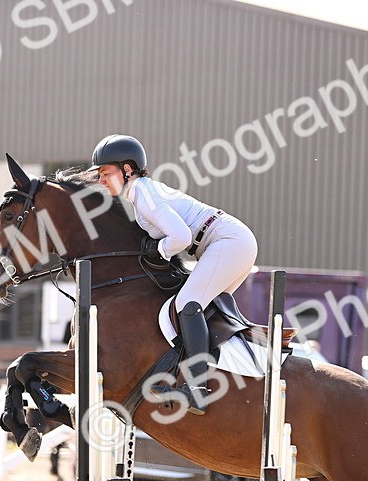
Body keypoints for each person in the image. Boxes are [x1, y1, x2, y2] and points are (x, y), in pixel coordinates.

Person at [92, 134, 258, 415]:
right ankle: (215, 377)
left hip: (226, 241)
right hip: (228, 242)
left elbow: (179, 237)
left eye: (105, 172)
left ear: (127, 169)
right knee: (204, 313)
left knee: (187, 304)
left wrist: (160, 250)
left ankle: (196, 389)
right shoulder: (141, 193)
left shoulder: (143, 194)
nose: (101, 180)